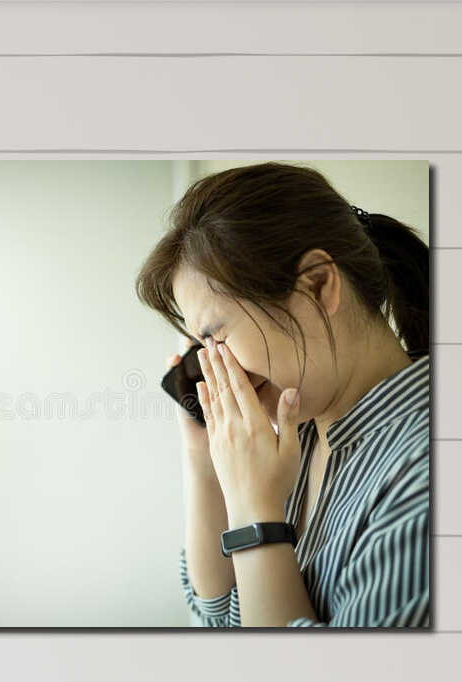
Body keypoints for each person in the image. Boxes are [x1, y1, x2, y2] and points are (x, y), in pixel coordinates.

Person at [137, 163, 431, 628]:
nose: (216, 366)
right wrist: (206, 465)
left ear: (318, 285)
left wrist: (255, 509)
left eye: (217, 337)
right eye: (202, 347)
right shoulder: (301, 437)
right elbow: (218, 615)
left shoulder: (422, 477)